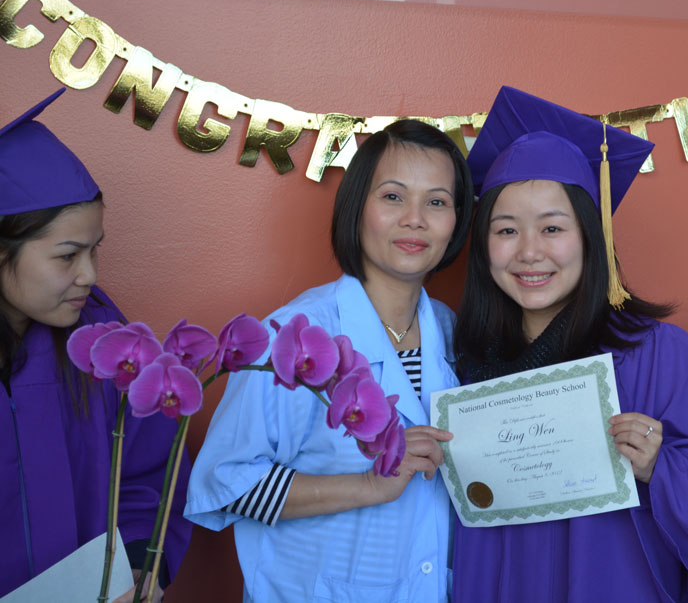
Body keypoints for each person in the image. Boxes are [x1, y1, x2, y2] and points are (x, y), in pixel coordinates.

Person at [452, 86, 688, 603]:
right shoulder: (465, 366)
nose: (529, 252)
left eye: (552, 228)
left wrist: (658, 466)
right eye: (506, 230)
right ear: (484, 247)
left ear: (592, 238)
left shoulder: (654, 353)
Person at [185, 119, 474, 602]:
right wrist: (367, 485)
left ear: (457, 221)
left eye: (437, 202)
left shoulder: (453, 333)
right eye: (393, 196)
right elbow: (226, 484)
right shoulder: (294, 338)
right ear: (357, 206)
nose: (415, 219)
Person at [0, 89, 191, 600]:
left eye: (94, 250)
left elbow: (150, 471)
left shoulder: (106, 343)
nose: (89, 275)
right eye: (68, 255)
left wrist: (140, 564)